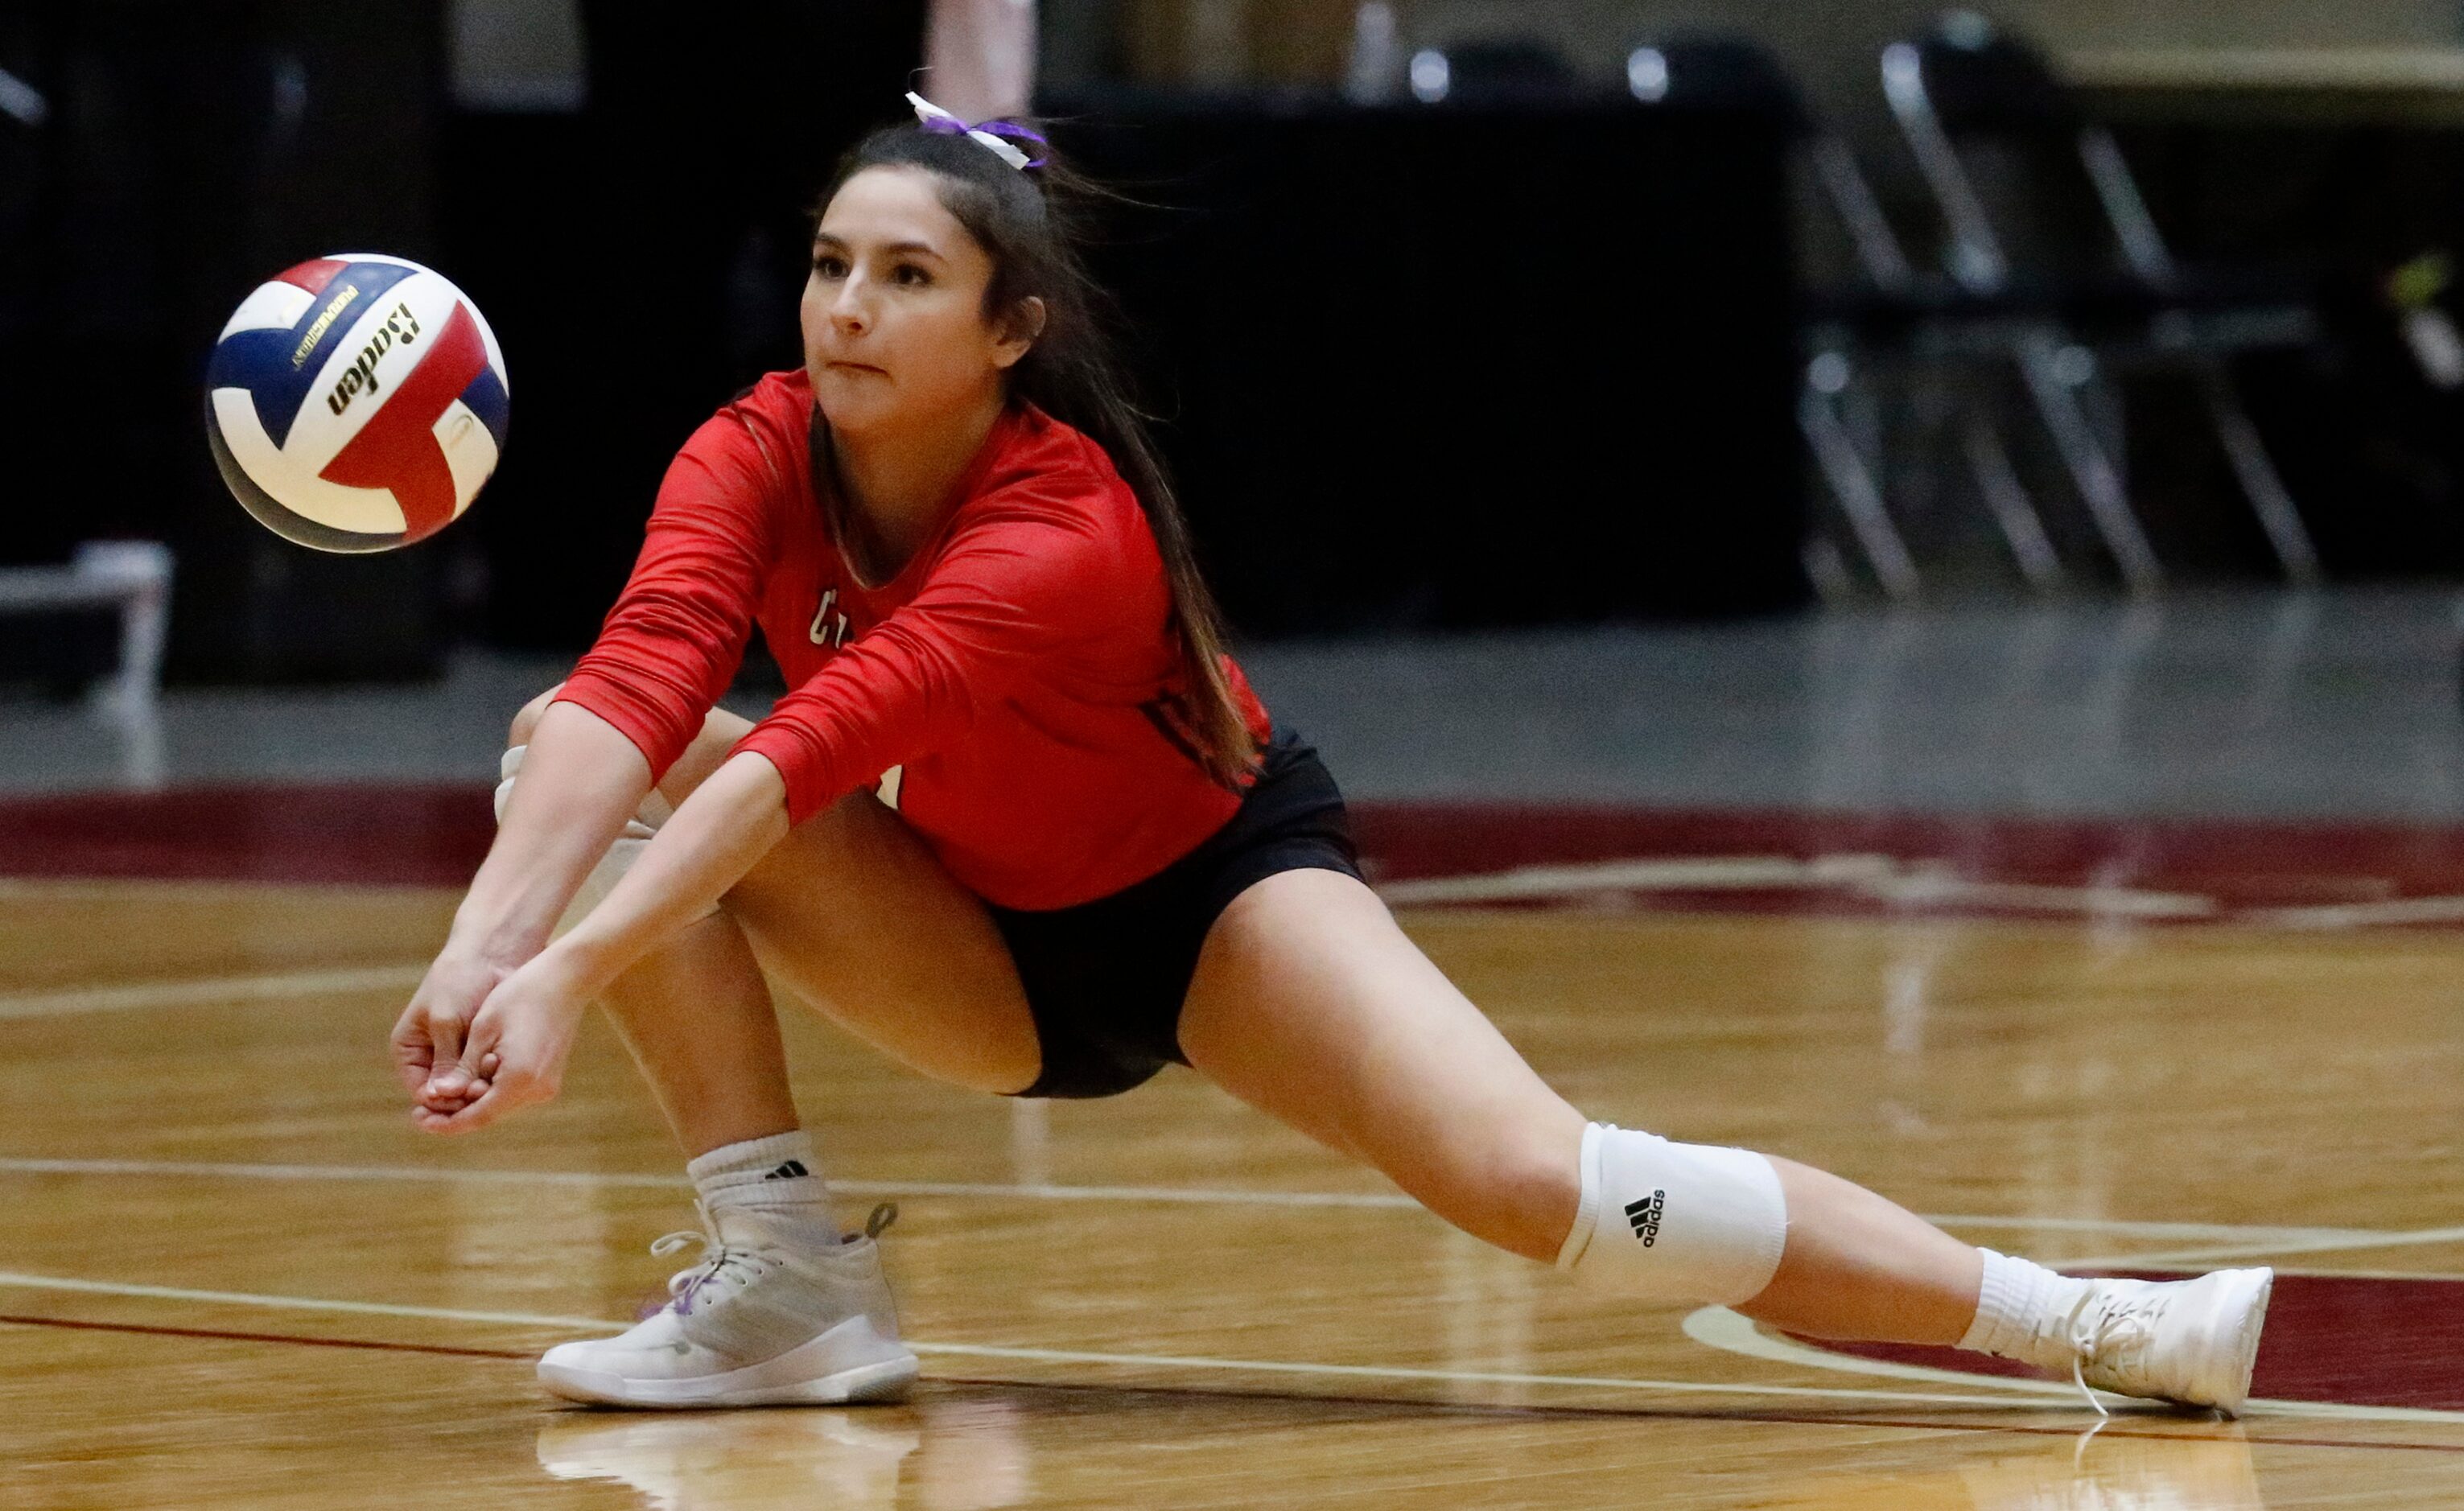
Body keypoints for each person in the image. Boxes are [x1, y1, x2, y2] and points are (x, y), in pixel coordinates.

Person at [390, 95, 2272, 1414]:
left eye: (903, 277)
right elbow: (642, 684)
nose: (848, 310)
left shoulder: (1066, 524)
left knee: (1546, 1186)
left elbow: (809, 752)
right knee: (572, 733)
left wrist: (562, 971)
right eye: (827, 268)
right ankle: (793, 1285)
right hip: (972, 933)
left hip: (1211, 900)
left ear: (1011, 333)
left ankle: (2092, 1323)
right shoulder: (752, 444)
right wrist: (483, 948)